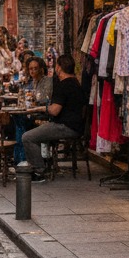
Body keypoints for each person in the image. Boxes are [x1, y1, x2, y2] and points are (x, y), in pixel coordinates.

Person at [20, 54, 88, 183]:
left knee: (27, 137)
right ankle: (44, 163)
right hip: (75, 125)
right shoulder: (75, 83)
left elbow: (54, 111)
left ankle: (38, 171)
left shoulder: (63, 85)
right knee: (36, 131)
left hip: (66, 127)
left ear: (59, 68)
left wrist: (38, 109)